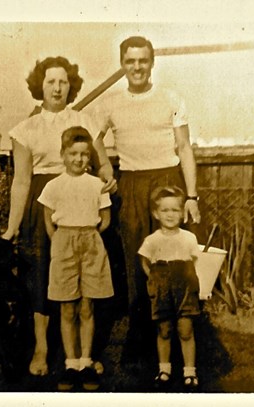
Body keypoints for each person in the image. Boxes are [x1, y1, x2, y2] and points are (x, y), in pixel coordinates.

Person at [2, 57, 115, 376]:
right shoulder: (24, 129)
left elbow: (103, 163)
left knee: (84, 274)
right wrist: (13, 226)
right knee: (40, 275)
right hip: (43, 202)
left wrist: (107, 175)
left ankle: (83, 351)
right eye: (50, 81)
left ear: (71, 86)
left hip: (82, 199)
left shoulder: (86, 120)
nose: (57, 87)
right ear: (40, 85)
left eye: (63, 81)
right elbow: (21, 180)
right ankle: (41, 348)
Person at [94, 36, 201, 363]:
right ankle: (140, 341)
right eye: (130, 61)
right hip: (132, 185)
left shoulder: (170, 97)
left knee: (174, 261)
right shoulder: (110, 103)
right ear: (123, 64)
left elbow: (184, 148)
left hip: (167, 181)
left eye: (142, 60)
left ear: (151, 62)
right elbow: (95, 139)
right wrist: (103, 168)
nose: (137, 67)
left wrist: (192, 195)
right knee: (136, 262)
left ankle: (180, 338)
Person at [38, 126, 114, 391]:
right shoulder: (53, 186)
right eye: (73, 153)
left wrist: (87, 234)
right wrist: (61, 241)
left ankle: (86, 362)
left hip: (91, 242)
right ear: (63, 154)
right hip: (63, 243)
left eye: (84, 154)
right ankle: (70, 364)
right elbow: (48, 221)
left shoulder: (97, 185)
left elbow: (105, 220)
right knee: (67, 306)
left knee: (87, 305)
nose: (79, 159)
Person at [138, 186, 201, 389]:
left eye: (175, 210)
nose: (170, 215)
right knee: (164, 329)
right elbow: (145, 262)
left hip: (184, 289)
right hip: (162, 289)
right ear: (156, 213)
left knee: (185, 328)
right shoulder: (152, 240)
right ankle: (164, 369)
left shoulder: (188, 238)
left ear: (182, 213)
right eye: (165, 210)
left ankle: (190, 372)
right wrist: (154, 280)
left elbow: (196, 262)